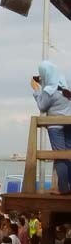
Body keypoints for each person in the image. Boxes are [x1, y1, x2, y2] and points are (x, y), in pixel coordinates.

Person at [32, 60, 71, 193]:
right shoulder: (66, 86)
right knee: (69, 154)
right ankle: (69, 185)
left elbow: (42, 105)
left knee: (60, 156)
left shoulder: (49, 90)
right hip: (69, 123)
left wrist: (37, 91)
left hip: (56, 126)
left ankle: (64, 189)